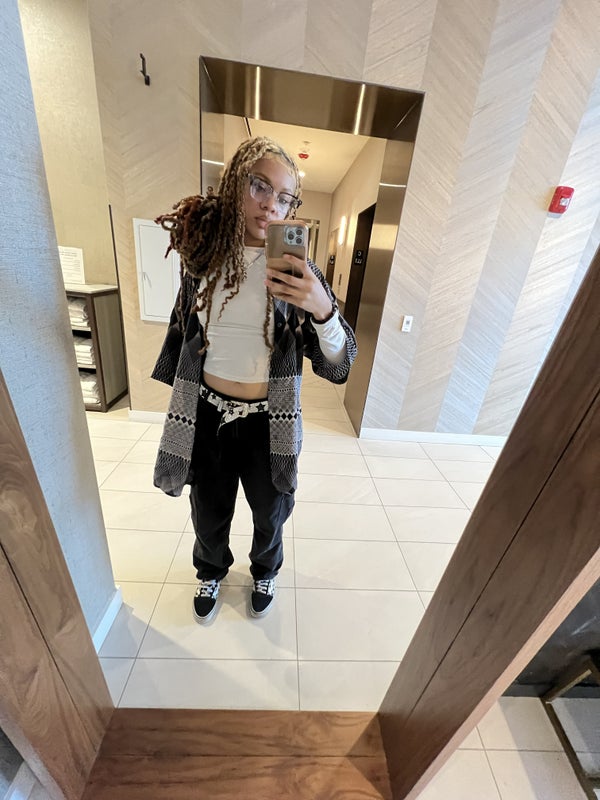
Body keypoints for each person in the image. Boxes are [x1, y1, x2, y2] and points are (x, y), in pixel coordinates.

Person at [151, 136, 357, 623]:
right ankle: (210, 571)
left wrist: (322, 310)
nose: (270, 204)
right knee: (208, 508)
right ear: (235, 184)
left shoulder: (299, 271)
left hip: (271, 420)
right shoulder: (203, 257)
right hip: (208, 413)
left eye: (285, 197)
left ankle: (265, 570)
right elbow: (184, 327)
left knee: (271, 511)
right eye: (260, 186)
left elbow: (339, 363)